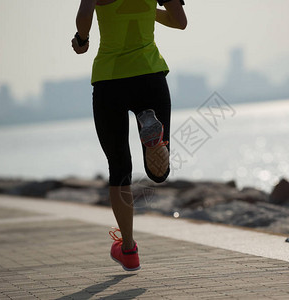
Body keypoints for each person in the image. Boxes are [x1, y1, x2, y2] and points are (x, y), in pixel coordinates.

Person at [72, 0, 187, 271]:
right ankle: (153, 137)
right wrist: (145, 10)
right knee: (159, 172)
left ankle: (129, 249)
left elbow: (85, 13)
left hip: (109, 81)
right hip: (150, 76)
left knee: (120, 168)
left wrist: (82, 39)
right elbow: (180, 21)